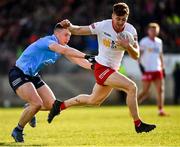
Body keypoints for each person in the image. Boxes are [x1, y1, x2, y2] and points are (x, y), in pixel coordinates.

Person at [48, 2, 156, 133]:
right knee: (132, 87)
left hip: (112, 70)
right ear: (112, 16)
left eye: (124, 19)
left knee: (94, 100)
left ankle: (60, 105)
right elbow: (79, 30)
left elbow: (136, 55)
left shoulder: (131, 30)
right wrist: (69, 26)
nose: (120, 22)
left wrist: (128, 46)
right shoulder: (103, 25)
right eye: (118, 19)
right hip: (101, 67)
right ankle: (138, 124)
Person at [8, 23, 94, 142]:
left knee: (51, 106)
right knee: (37, 103)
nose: (68, 38)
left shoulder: (63, 46)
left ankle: (30, 109)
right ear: (56, 33)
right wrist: (87, 56)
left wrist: (94, 66)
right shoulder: (47, 41)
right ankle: (18, 130)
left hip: (33, 75)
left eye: (70, 35)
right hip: (18, 73)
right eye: (66, 35)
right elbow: (64, 50)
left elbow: (78, 61)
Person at [137, 22, 167, 116]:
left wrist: (162, 66)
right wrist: (140, 65)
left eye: (155, 30)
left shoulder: (159, 41)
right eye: (152, 30)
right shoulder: (144, 41)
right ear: (148, 31)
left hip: (157, 69)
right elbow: (139, 55)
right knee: (145, 91)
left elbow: (160, 55)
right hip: (147, 69)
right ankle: (133, 105)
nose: (154, 32)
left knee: (160, 89)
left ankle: (160, 110)